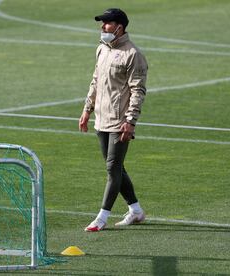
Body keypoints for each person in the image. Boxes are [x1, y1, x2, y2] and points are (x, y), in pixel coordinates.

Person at [78, 8, 148, 232]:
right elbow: (95, 81)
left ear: (120, 27)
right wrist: (87, 109)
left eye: (107, 23)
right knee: (116, 168)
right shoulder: (101, 50)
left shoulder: (133, 54)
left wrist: (131, 121)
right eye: (102, 23)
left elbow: (138, 91)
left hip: (120, 121)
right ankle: (136, 211)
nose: (102, 27)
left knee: (112, 168)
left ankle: (101, 217)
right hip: (101, 119)